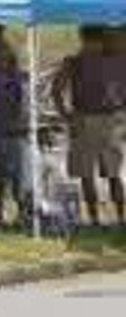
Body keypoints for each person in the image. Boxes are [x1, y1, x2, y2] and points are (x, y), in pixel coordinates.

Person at [51, 26, 125, 227]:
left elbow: (56, 91)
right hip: (108, 120)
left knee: (89, 174)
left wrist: (67, 117)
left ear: (82, 38)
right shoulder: (114, 61)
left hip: (85, 119)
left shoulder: (74, 61)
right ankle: (119, 218)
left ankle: (95, 220)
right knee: (112, 174)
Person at [0, 24, 30, 226]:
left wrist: (17, 119)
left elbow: (16, 88)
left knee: (11, 170)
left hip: (6, 123)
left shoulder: (4, 53)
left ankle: (22, 212)